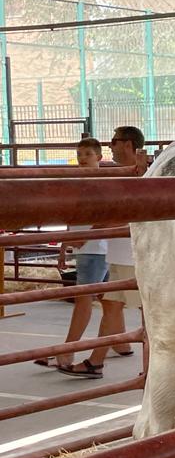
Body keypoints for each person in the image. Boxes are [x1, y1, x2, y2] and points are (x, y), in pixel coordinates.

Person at [59, 126, 145, 379]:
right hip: (119, 254)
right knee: (112, 307)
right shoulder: (121, 174)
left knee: (144, 314)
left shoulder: (135, 175)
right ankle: (98, 360)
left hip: (130, 255)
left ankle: (153, 368)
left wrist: (89, 233)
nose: (110, 146)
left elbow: (126, 213)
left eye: (114, 141)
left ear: (127, 144)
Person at [33, 138, 120, 368]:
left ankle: (67, 351)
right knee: (110, 301)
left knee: (84, 300)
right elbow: (74, 217)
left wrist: (84, 237)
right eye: (80, 154)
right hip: (91, 248)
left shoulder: (102, 184)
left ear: (99, 157)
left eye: (88, 154)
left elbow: (107, 215)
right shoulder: (80, 183)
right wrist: (65, 245)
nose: (82, 158)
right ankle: (121, 343)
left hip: (94, 249)